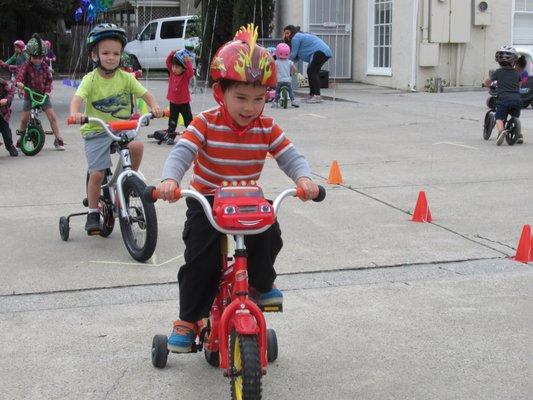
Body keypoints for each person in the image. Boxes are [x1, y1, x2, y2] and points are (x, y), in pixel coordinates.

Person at [156, 23, 319, 353]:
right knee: (200, 261)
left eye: (259, 99)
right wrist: (170, 180)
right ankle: (188, 319)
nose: (250, 107)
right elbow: (182, 151)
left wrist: (303, 179)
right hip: (206, 199)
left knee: (269, 231)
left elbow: (290, 155)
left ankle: (260, 285)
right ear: (221, 93)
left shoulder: (266, 125)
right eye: (241, 97)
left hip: (246, 199)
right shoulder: (205, 121)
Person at [69, 23, 162, 233]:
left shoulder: (126, 78)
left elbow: (145, 94)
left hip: (121, 127)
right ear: (95, 56)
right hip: (96, 130)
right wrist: (76, 113)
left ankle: (126, 185)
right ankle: (93, 212)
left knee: (137, 146)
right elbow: (77, 99)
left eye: (116, 53)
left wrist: (154, 107)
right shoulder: (90, 79)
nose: (111, 57)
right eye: (106, 53)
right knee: (97, 174)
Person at [16, 34, 65, 150]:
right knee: (24, 119)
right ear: (30, 56)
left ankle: (58, 139)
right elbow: (20, 76)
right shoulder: (26, 65)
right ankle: (21, 138)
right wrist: (19, 83)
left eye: (40, 57)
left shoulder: (44, 66)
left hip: (43, 95)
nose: (38, 60)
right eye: (35, 57)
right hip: (30, 94)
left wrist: (48, 91)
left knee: (52, 117)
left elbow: (49, 80)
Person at [484, 45, 523, 145]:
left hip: (504, 99)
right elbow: (519, 84)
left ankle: (501, 131)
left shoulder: (498, 72)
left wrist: (487, 85)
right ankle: (518, 135)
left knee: (499, 117)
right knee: (515, 117)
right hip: (517, 100)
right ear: (514, 61)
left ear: (499, 61)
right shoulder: (517, 73)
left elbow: (488, 82)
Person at [283, 25, 332, 103]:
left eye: (287, 33)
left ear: (292, 32)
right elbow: (296, 57)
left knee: (312, 71)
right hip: (322, 52)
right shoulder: (299, 37)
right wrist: (289, 63)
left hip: (320, 52)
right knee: (311, 71)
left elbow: (293, 55)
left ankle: (317, 96)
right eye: (285, 33)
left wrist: (283, 60)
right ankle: (312, 95)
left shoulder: (295, 38)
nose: (286, 35)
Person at [163, 49, 194, 145]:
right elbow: (168, 61)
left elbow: (191, 72)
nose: (174, 69)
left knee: (188, 120)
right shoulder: (172, 74)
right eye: (173, 66)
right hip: (173, 102)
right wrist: (172, 53)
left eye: (177, 67)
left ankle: (192, 136)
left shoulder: (185, 75)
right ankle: (171, 136)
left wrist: (187, 61)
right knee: (172, 120)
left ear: (183, 68)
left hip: (184, 102)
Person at [273, 42, 299, 108]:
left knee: (277, 92)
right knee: (290, 91)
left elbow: (273, 69)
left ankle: (275, 102)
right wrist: (292, 73)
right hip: (288, 80)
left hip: (279, 81)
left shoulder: (276, 62)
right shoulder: (290, 62)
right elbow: (295, 69)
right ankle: (293, 101)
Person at [0, 67, 18, 156]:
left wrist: (6, 100)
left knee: (5, 130)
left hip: (2, 112)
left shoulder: (2, 82)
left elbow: (11, 91)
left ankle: (10, 146)